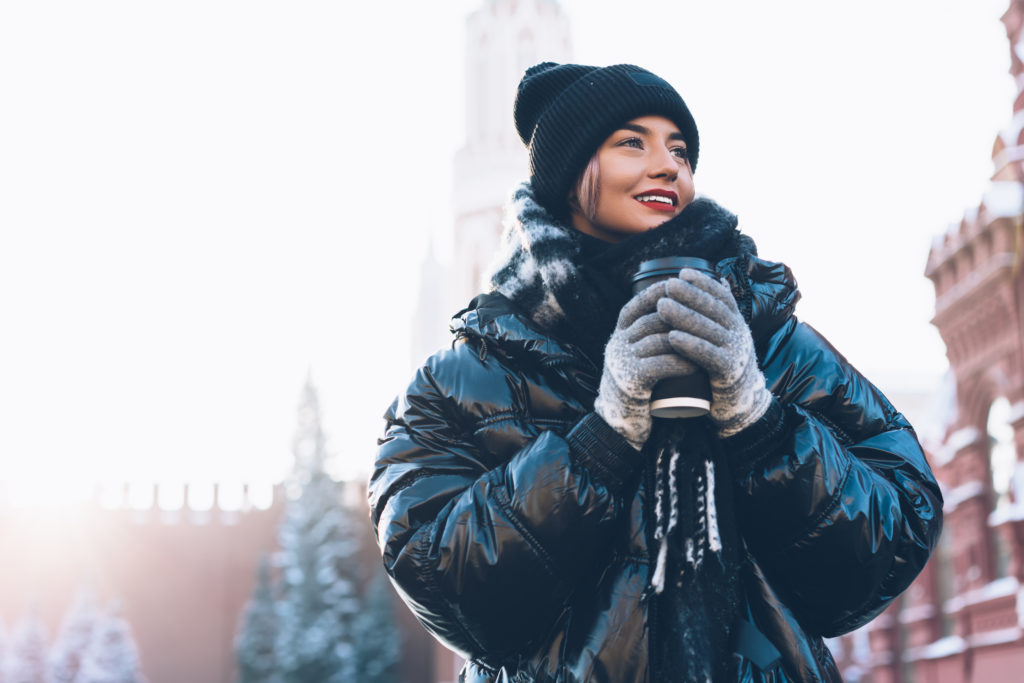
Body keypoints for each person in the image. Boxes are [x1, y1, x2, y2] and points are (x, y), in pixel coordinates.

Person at [368, 62, 942, 682]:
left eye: (680, 149)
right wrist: (601, 439)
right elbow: (446, 588)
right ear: (569, 173)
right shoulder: (471, 375)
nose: (669, 165)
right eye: (631, 142)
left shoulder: (768, 338)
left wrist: (760, 421)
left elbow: (891, 542)